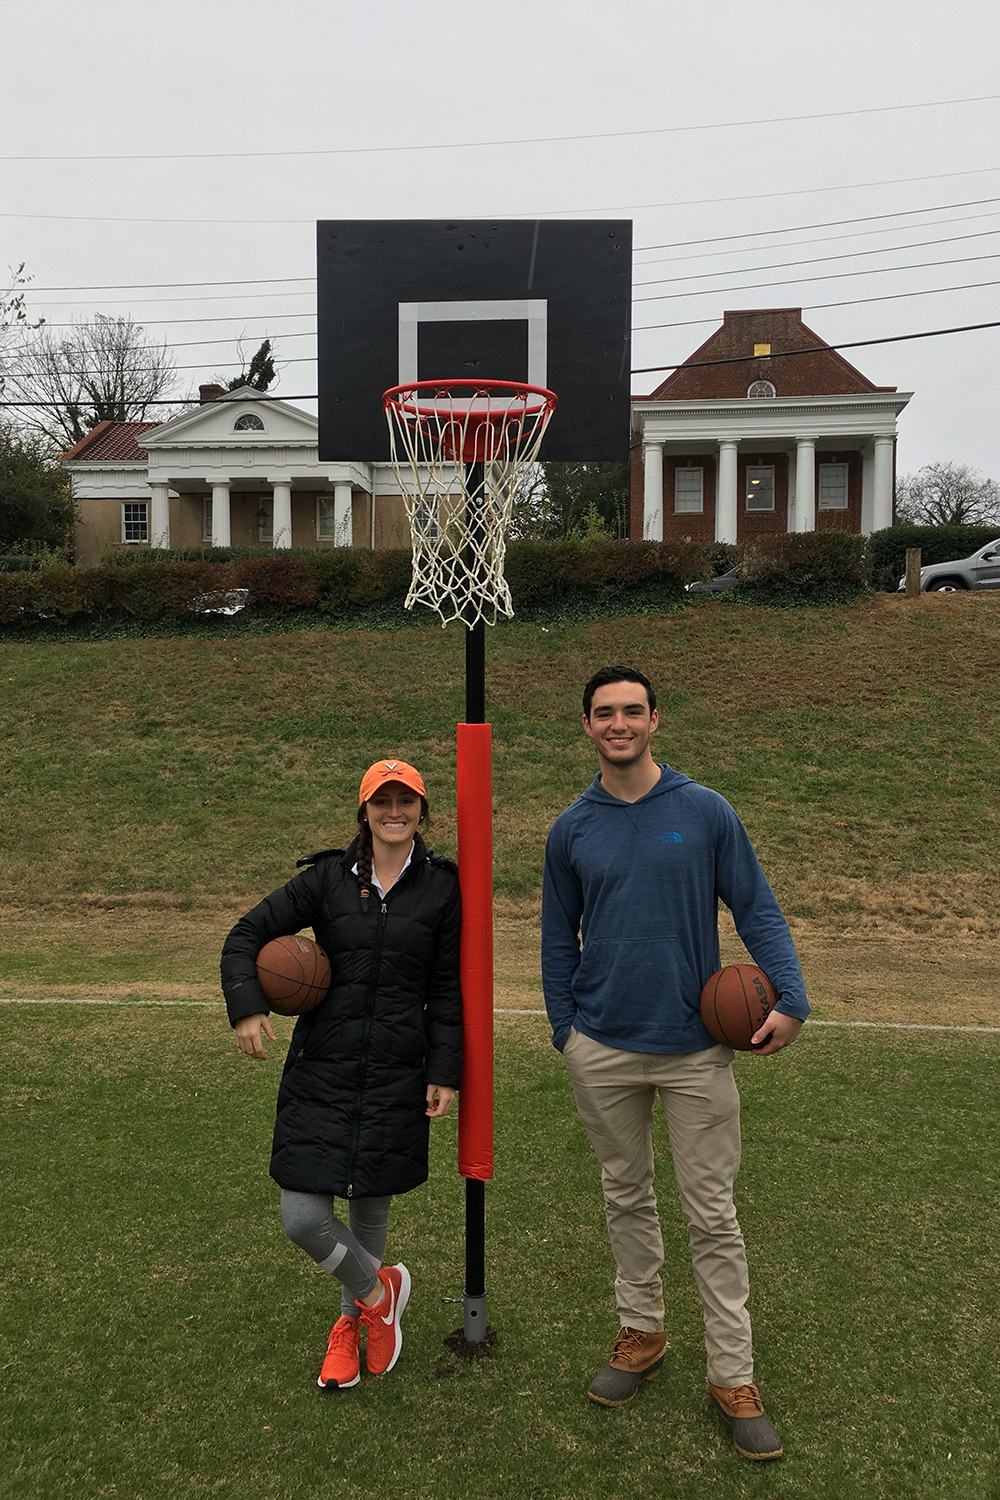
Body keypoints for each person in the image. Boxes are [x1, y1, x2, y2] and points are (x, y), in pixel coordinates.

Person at [541, 666, 809, 1462]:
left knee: (712, 1214)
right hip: (603, 1045)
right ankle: (643, 1332)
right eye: (603, 714)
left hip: (696, 1049)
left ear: (655, 720)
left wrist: (789, 998)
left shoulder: (704, 811)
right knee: (625, 1195)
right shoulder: (571, 829)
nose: (618, 724)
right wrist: (567, 1029)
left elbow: (756, 907)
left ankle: (733, 1374)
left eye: (632, 711)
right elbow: (558, 938)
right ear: (586, 727)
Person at [221, 758, 462, 1392]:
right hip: (321, 1067)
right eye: (381, 801)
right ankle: (378, 1296)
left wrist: (444, 1069)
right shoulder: (329, 877)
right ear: (364, 810)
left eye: (405, 801)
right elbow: (246, 933)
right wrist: (246, 1005)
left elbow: (445, 987)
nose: (393, 811)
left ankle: (353, 1323)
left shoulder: (442, 887)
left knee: (370, 1205)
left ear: (420, 810)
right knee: (302, 1216)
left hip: (396, 1071)